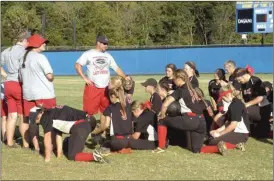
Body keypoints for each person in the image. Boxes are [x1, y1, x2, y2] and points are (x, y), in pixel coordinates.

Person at [28, 105, 108, 163]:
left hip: (82, 125)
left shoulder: (45, 118)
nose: (36, 121)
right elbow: (58, 133)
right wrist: (59, 154)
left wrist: (47, 158)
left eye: (35, 119)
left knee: (72, 155)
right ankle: (73, 143)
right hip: (89, 120)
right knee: (66, 144)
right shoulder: (51, 112)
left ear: (39, 114)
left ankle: (96, 156)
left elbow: (47, 138)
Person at [155, 69, 207, 153]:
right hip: (201, 121)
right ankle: (217, 148)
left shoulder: (180, 90)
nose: (173, 81)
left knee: (161, 120)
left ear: (179, 79)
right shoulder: (193, 88)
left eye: (174, 79)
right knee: (196, 150)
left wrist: (162, 115)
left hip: (191, 120)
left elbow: (165, 105)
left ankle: (161, 147)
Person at [20, 34, 57, 151]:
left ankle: (36, 147)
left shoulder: (23, 58)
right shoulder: (40, 57)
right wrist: (51, 78)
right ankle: (51, 146)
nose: (45, 44)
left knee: (32, 122)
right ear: (36, 44)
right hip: (44, 93)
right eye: (42, 42)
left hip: (28, 94)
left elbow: (20, 79)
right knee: (51, 120)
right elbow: (50, 76)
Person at [75, 35, 127, 116]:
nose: (106, 46)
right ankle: (89, 127)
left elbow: (116, 68)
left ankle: (105, 127)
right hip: (92, 87)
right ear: (98, 43)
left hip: (106, 88)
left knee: (107, 111)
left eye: (107, 44)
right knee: (89, 112)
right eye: (104, 43)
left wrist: (125, 76)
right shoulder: (88, 54)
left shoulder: (108, 56)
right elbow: (77, 65)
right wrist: (84, 78)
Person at [0, 30, 31, 147]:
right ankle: (26, 144)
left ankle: (9, 142)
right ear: (25, 40)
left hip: (8, 84)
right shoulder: (24, 52)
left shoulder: (6, 51)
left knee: (11, 115)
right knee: (22, 115)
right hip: (19, 84)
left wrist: (5, 75)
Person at [201, 84, 249, 156]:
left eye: (223, 97)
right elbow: (228, 123)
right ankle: (234, 144)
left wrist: (220, 134)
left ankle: (234, 144)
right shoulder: (233, 104)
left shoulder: (235, 105)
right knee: (211, 138)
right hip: (236, 132)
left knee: (212, 141)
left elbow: (233, 125)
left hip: (241, 134)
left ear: (228, 94)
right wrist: (217, 130)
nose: (222, 99)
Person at [91, 87, 133, 152]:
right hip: (130, 140)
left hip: (118, 142)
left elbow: (105, 126)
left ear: (113, 96)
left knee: (104, 143)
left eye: (109, 97)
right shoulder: (129, 106)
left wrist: (94, 132)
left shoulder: (110, 108)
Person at [235, 67, 271, 138]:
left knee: (242, 111)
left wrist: (247, 104)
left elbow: (261, 97)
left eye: (239, 80)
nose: (239, 82)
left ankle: (241, 133)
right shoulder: (243, 84)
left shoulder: (255, 80)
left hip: (262, 109)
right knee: (255, 134)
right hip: (252, 109)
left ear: (243, 76)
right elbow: (245, 99)